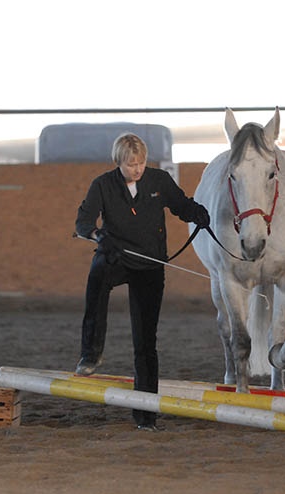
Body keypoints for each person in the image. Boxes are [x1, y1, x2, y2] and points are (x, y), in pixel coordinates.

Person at [74, 133, 210, 431]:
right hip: (116, 255)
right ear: (118, 162)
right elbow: (83, 223)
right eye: (130, 164)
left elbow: (181, 206)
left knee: (146, 341)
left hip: (150, 264)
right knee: (97, 278)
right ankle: (90, 353)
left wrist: (198, 214)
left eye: (141, 163)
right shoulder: (102, 184)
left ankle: (146, 416)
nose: (137, 169)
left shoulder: (159, 181)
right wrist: (98, 236)